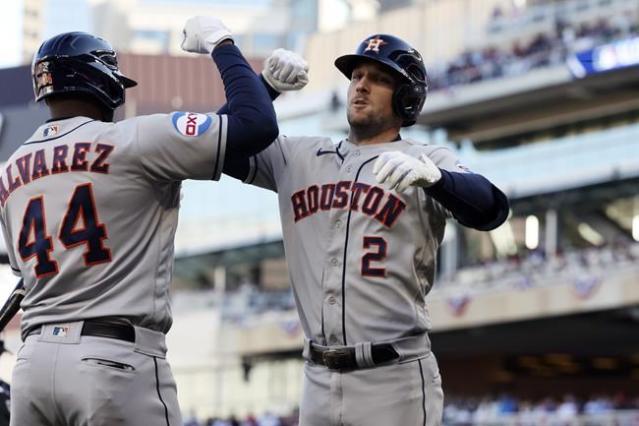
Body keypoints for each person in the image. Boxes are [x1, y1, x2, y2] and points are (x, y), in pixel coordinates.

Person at [0, 16, 307, 426]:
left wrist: (263, 89)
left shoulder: (12, 170)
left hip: (33, 367)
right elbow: (255, 126)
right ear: (101, 83)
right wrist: (223, 45)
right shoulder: (131, 139)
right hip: (111, 360)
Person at [223, 34, 509, 425]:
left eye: (379, 77)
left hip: (393, 377)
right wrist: (263, 88)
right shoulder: (299, 156)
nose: (361, 85)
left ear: (407, 96)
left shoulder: (426, 160)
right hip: (317, 377)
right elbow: (217, 145)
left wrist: (438, 179)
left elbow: (491, 209)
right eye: (356, 75)